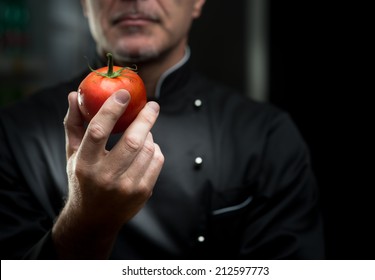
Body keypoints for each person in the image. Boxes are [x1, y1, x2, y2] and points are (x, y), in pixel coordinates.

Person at [0, 0, 325, 259]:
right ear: (85, 4)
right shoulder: (15, 133)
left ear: (198, 2)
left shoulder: (267, 135)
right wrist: (85, 223)